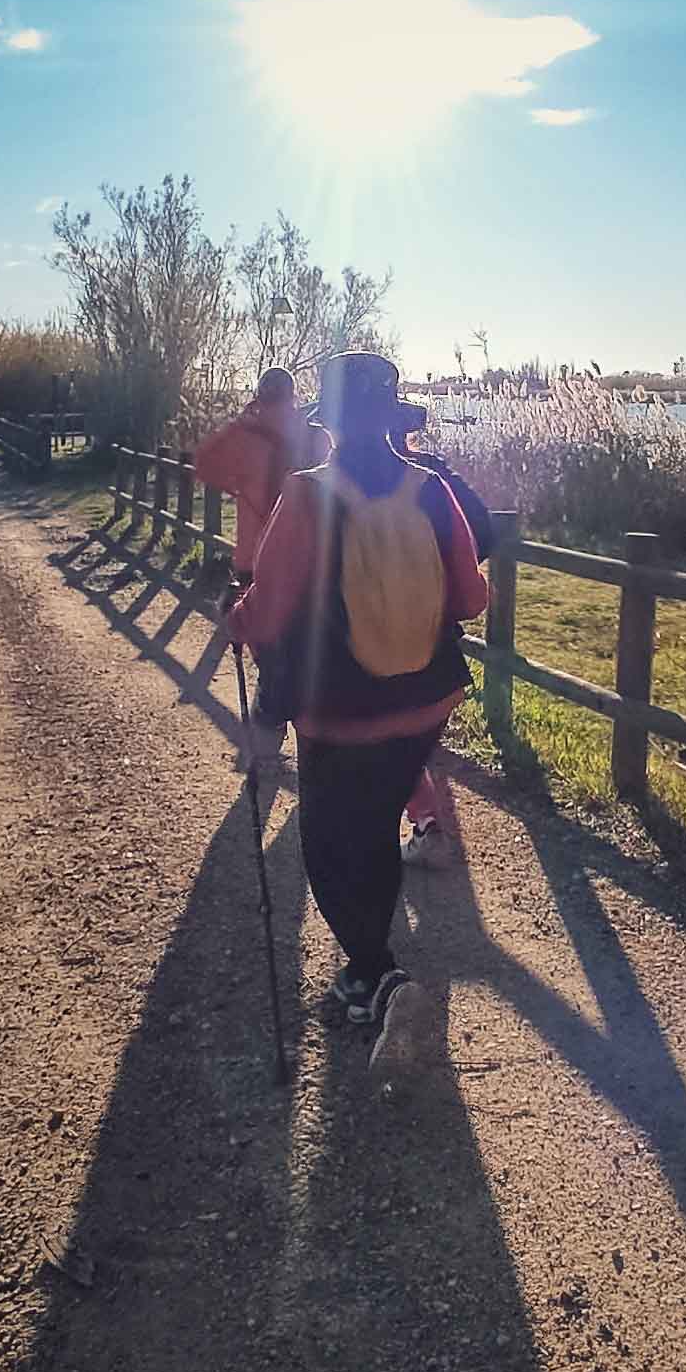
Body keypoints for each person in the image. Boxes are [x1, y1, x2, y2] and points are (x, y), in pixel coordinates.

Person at [225, 352, 488, 1058]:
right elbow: (472, 599)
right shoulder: (433, 489)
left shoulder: (309, 493)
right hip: (426, 698)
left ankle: (377, 977)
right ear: (395, 421)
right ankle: (366, 976)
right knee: (372, 826)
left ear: (330, 425)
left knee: (331, 846)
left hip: (340, 710)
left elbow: (272, 607)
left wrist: (239, 617)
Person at [194, 368, 329, 767]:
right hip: (309, 560)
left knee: (268, 648)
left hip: (255, 560)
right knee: (306, 644)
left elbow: (203, 465)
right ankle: (302, 729)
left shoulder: (245, 437)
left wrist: (241, 474)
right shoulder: (316, 435)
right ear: (293, 395)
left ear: (259, 395)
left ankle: (268, 732)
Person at [387, 403, 498, 873]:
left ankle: (425, 823)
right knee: (407, 735)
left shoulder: (325, 481)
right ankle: (423, 819)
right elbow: (486, 532)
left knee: (387, 739)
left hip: (373, 639)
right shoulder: (435, 477)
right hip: (434, 635)